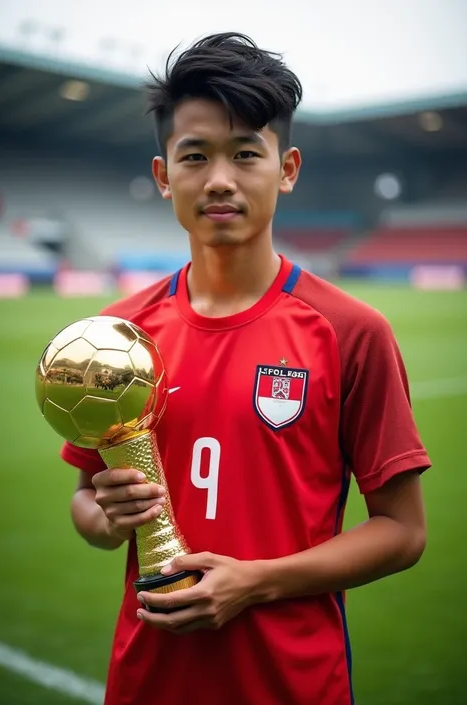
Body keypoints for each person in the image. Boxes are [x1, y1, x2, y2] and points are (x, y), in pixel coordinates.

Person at [62, 32, 431, 705]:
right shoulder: (118, 338)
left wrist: (253, 581)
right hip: (148, 678)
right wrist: (106, 520)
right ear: (162, 175)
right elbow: (86, 499)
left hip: (292, 682)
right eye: (195, 156)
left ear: (286, 168)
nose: (221, 179)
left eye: (245, 154)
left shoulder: (350, 332)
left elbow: (403, 531)